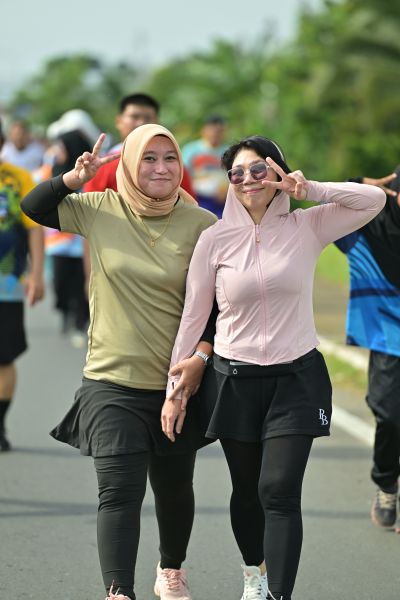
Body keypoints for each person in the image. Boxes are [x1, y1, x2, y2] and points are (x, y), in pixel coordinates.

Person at [162, 135, 386, 600]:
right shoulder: (214, 239)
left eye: (259, 169)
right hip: (234, 381)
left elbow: (374, 199)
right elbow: (193, 317)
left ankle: (279, 595)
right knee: (247, 491)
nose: (248, 180)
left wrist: (312, 189)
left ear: (278, 172)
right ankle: (254, 576)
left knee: (279, 489)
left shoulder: (308, 225)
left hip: (296, 379)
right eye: (237, 173)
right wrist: (174, 390)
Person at [21, 124, 217, 600]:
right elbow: (33, 207)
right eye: (148, 158)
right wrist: (72, 179)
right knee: (119, 493)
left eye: (169, 158)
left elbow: (220, 304)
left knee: (174, 489)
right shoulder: (99, 208)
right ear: (128, 163)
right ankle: (119, 591)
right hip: (111, 380)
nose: (160, 168)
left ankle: (171, 569)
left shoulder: (202, 224)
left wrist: (201, 357)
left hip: (176, 383)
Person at [334, 169, 400, 534]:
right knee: (389, 415)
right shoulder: (366, 225)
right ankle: (387, 483)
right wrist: (359, 184)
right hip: (387, 336)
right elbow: (329, 203)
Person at [0, 118, 45, 451]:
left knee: (4, 357)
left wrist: (37, 275)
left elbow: (34, 229)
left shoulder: (18, 179)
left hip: (7, 282)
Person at [83, 93, 195, 197]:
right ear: (119, 121)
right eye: (135, 117)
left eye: (148, 118)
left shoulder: (174, 166)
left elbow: (189, 205)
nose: (141, 123)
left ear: (157, 122)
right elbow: (91, 207)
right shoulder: (103, 165)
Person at [45, 129, 92, 343]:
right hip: (59, 243)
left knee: (80, 284)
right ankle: (64, 310)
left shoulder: (89, 174)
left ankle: (80, 322)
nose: (57, 152)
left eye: (61, 148)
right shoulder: (52, 172)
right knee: (60, 282)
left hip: (82, 243)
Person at [181, 114, 229, 218]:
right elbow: (183, 175)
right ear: (204, 130)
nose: (215, 134)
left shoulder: (228, 151)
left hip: (222, 201)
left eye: (219, 131)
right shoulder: (191, 150)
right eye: (212, 130)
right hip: (197, 199)